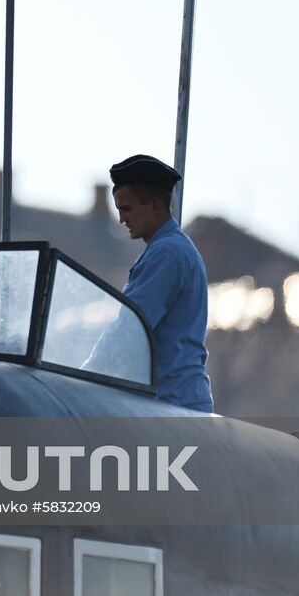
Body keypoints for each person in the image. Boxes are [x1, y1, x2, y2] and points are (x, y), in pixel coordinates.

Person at [110, 154, 213, 412]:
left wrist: (83, 376)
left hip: (172, 403)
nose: (122, 219)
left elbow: (131, 330)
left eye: (127, 209)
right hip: (177, 400)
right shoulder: (171, 249)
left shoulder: (166, 254)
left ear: (155, 207)